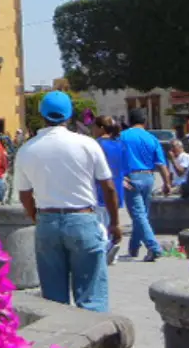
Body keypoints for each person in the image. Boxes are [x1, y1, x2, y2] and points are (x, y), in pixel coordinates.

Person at [16, 91, 121, 313]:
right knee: (91, 294)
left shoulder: (27, 149)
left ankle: (61, 344)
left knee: (54, 300)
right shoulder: (87, 144)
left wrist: (37, 217)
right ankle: (94, 341)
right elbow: (108, 186)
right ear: (69, 115)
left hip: (47, 220)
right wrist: (115, 222)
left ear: (41, 115)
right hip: (82, 217)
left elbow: (24, 194)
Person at [118, 108, 172, 262]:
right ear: (145, 122)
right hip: (148, 176)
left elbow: (116, 158)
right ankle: (134, 247)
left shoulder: (123, 136)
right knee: (142, 215)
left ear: (129, 121)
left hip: (131, 177)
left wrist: (118, 177)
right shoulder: (152, 138)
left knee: (139, 215)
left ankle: (153, 247)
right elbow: (161, 164)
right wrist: (167, 183)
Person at [91, 116, 126, 265]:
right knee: (113, 218)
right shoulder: (119, 145)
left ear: (101, 128)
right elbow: (125, 166)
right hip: (117, 185)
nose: (92, 130)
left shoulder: (96, 145)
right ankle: (113, 247)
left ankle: (106, 248)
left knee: (100, 222)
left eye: (94, 127)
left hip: (100, 187)